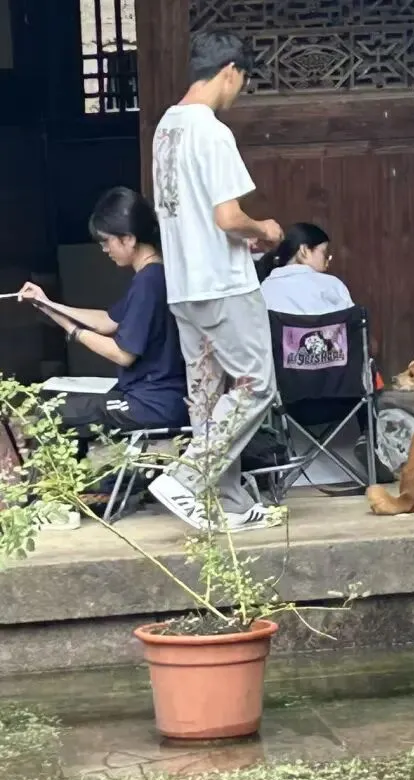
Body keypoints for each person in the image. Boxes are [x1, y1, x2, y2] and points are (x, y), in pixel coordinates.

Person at [147, 29, 284, 533]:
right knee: (256, 385)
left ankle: (225, 502)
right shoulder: (211, 131)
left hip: (185, 284)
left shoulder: (165, 128)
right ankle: (186, 478)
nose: (239, 92)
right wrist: (263, 229)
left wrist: (240, 236)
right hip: (223, 284)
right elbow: (227, 217)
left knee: (208, 396)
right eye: (242, 81)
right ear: (230, 71)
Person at [17, 186, 188, 439]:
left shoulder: (149, 282)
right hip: (153, 398)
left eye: (106, 241)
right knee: (68, 408)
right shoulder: (153, 274)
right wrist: (47, 304)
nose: (104, 249)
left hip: (152, 404)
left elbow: (123, 355)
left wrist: (73, 331)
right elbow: (107, 321)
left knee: (51, 414)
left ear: (128, 239)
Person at [258, 223, 354, 315]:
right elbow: (352, 320)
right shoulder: (333, 285)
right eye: (325, 253)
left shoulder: (265, 289)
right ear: (304, 251)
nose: (327, 260)